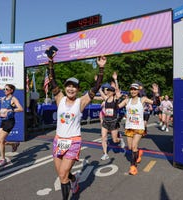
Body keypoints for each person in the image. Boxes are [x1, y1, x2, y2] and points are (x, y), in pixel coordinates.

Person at [47, 50, 105, 200]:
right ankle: (74, 180)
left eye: (74, 86)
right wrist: (51, 62)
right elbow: (52, 80)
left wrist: (101, 68)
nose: (71, 88)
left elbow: (96, 87)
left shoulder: (81, 102)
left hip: (73, 141)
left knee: (62, 175)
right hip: (58, 140)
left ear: (78, 89)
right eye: (68, 86)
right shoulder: (59, 98)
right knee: (62, 174)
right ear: (65, 88)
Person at [118, 83, 160, 175]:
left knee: (133, 146)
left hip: (139, 127)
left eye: (135, 89)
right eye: (131, 89)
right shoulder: (126, 100)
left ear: (138, 91)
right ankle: (139, 152)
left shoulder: (143, 99)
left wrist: (156, 94)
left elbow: (156, 103)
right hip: (129, 127)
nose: (133, 91)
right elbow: (116, 107)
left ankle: (133, 167)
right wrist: (117, 98)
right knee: (130, 147)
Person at [0, 84, 24, 168]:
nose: (4, 90)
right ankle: (14, 144)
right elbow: (2, 109)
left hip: (10, 122)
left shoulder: (13, 99)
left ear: (11, 90)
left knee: (0, 141)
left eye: (6, 89)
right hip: (3, 121)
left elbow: (21, 109)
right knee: (1, 141)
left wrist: (11, 109)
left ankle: (3, 159)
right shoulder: (3, 99)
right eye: (4, 89)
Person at [98, 83, 125, 160]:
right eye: (108, 90)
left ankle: (121, 140)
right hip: (105, 121)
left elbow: (117, 90)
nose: (108, 92)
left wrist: (116, 81)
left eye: (110, 91)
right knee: (103, 138)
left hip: (113, 122)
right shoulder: (106, 98)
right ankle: (105, 154)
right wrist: (97, 82)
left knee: (114, 140)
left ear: (113, 92)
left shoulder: (115, 99)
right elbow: (100, 91)